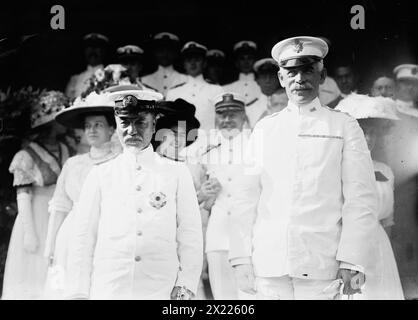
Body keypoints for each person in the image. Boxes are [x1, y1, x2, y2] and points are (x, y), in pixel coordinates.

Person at [229, 36, 379, 300]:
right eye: (291, 72)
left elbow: (361, 199)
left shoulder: (343, 126)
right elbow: (245, 197)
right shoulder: (265, 128)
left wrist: (352, 260)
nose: (300, 79)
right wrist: (240, 257)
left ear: (322, 76)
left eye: (308, 70)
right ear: (281, 78)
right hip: (268, 265)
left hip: (322, 264)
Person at [64, 85, 203, 299]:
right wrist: (78, 292)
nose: (132, 130)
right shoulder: (100, 175)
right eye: (125, 122)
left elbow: (190, 234)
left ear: (154, 124)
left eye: (140, 122)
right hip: (109, 287)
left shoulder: (176, 173)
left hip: (160, 288)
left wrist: (186, 285)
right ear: (116, 125)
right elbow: (83, 238)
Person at [43, 91, 120, 299]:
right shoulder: (74, 164)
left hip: (107, 228)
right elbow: (60, 206)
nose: (92, 130)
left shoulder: (121, 163)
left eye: (98, 125)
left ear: (111, 129)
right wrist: (50, 244)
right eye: (88, 126)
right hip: (73, 230)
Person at [2, 91, 70, 299]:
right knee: (32, 268)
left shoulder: (65, 149)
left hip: (58, 213)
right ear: (49, 122)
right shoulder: (25, 156)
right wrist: (29, 232)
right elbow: (23, 196)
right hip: (35, 215)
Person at [336, 93, 404, 299]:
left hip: (379, 247)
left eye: (373, 133)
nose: (368, 138)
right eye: (362, 132)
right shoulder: (339, 169)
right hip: (348, 245)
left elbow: (388, 220)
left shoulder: (385, 171)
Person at [198, 92, 254, 300]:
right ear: (215, 118)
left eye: (233, 114)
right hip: (218, 235)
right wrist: (205, 194)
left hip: (249, 236)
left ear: (244, 117)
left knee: (250, 297)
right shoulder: (206, 152)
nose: (227, 119)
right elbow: (197, 198)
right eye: (222, 114)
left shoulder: (256, 147)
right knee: (222, 298)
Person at [387, 64, 418, 299]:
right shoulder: (388, 112)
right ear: (397, 86)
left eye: (414, 84)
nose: (410, 88)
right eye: (406, 83)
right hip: (397, 185)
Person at [166, 41, 224, 134]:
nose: (193, 63)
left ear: (204, 63)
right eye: (189, 60)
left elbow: (222, 120)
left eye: (197, 59)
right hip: (182, 144)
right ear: (184, 64)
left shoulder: (216, 90)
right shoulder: (173, 92)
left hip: (208, 142)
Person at [246, 58, 288, 128]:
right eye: (264, 76)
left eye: (272, 76)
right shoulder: (249, 108)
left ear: (279, 79)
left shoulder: (289, 104)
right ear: (257, 80)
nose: (268, 80)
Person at [65, 33, 109, 100]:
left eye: (97, 46)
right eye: (89, 47)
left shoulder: (111, 75)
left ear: (103, 51)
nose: (93, 50)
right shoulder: (75, 79)